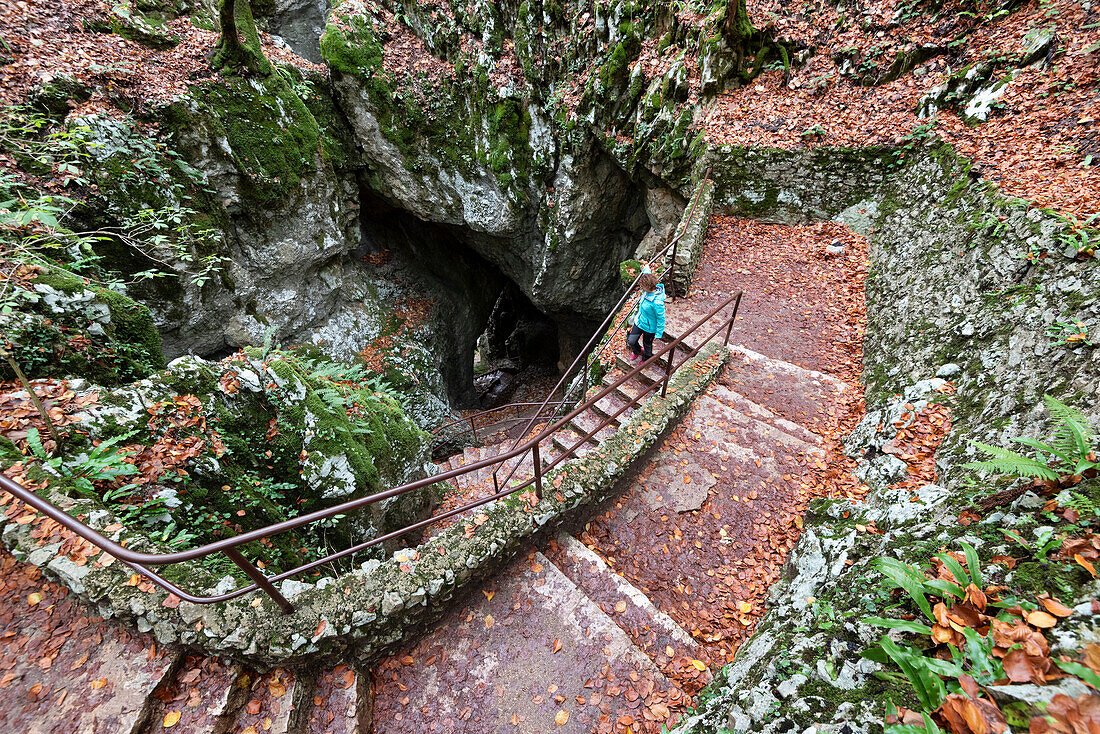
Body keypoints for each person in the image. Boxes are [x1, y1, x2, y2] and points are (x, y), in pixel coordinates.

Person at [627, 268, 665, 365]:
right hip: (640, 322)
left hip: (649, 328)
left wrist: (658, 334)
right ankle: (637, 351)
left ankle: (646, 358)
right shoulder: (648, 290)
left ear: (648, 287)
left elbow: (661, 319)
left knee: (647, 345)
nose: (641, 288)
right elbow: (648, 275)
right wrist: (646, 268)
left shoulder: (657, 303)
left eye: (642, 286)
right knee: (631, 341)